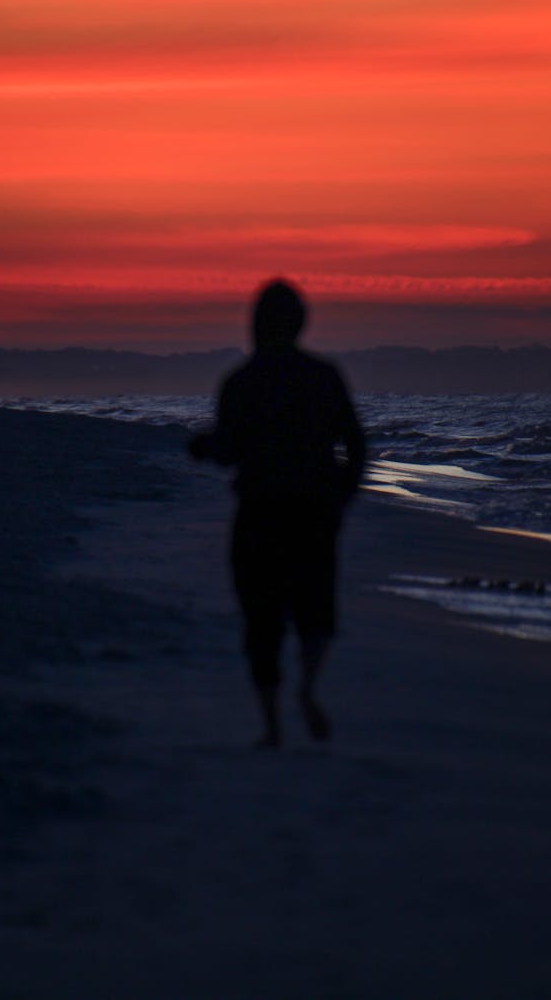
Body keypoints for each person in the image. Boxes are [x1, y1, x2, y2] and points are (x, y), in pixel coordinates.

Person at [189, 278, 365, 748]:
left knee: (261, 619)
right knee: (316, 612)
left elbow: (227, 450)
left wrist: (201, 446)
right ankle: (307, 689)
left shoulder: (241, 381)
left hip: (260, 512)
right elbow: (357, 445)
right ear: (302, 323)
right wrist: (342, 499)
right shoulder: (324, 376)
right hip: (315, 513)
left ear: (256, 323)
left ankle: (271, 725)